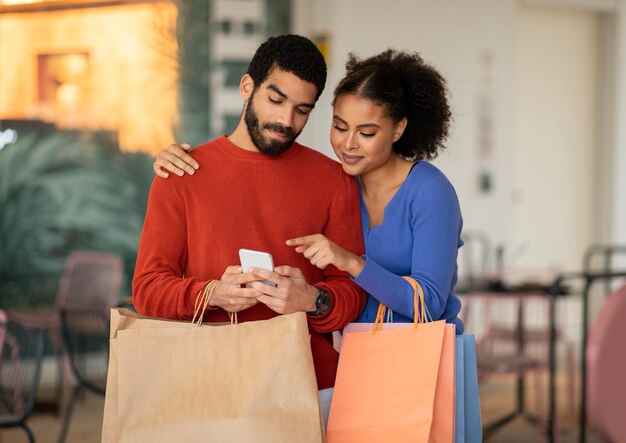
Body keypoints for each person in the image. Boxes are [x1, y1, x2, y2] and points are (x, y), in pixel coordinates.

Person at [133, 34, 366, 421]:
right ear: (247, 87)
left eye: (302, 110)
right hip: (207, 382)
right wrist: (212, 294)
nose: (286, 121)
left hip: (309, 384)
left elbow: (352, 293)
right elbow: (147, 289)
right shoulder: (181, 174)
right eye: (276, 100)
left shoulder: (334, 180)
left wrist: (311, 300)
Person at [155, 49, 464, 334]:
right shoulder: (341, 182)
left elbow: (430, 302)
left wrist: (351, 265)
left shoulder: (429, 191)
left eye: (367, 133)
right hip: (361, 359)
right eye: (340, 127)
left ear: (397, 130)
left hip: (423, 358)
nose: (349, 144)